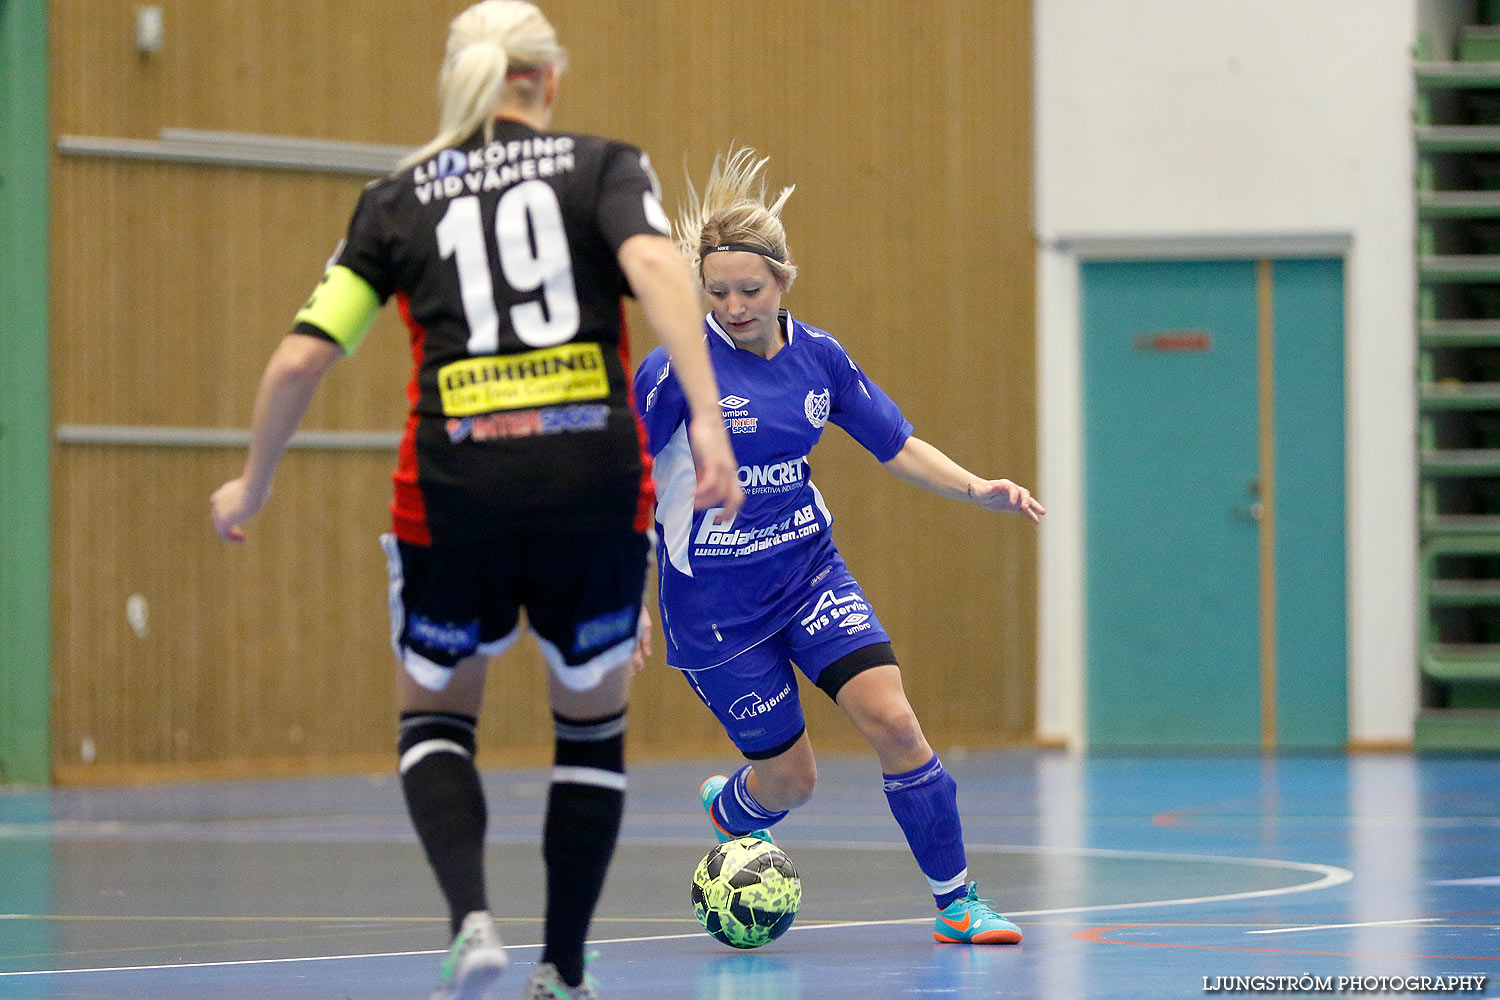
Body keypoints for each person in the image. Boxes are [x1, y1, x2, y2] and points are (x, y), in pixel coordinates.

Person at [210, 5, 742, 999]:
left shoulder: (395, 199)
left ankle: (471, 922)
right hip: (593, 485)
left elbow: (301, 356)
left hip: (455, 491)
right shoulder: (604, 167)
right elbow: (658, 265)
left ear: (461, 79)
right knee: (590, 725)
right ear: (546, 78)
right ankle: (565, 971)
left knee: (436, 716)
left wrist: (256, 479)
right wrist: (707, 417)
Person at [632, 148, 1044, 948]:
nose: (733, 305)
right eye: (716, 292)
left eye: (750, 290)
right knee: (794, 780)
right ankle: (736, 810)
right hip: (714, 609)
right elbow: (620, 476)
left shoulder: (820, 357)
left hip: (809, 572)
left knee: (894, 724)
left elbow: (896, 443)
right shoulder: (675, 371)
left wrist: (977, 487)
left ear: (785, 279)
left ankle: (958, 904)